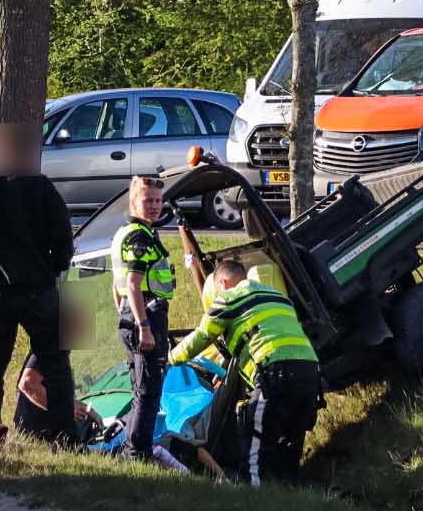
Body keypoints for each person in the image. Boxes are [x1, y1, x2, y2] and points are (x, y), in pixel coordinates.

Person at [0, 124, 75, 446]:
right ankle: (63, 435)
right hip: (38, 290)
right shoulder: (43, 189)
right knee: (55, 365)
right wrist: (54, 268)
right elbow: (63, 239)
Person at [169, 258, 320, 485]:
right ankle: (289, 496)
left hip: (274, 374)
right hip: (310, 372)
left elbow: (201, 337)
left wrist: (171, 359)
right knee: (292, 441)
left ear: (223, 282)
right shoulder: (277, 296)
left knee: (255, 446)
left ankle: (254, 504)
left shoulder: (229, 299)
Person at [111, 175, 177, 460]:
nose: (154, 206)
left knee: (139, 390)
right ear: (133, 201)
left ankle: (132, 449)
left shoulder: (124, 232)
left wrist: (124, 314)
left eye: (158, 200)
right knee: (149, 392)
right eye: (147, 200)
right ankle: (138, 452)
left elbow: (116, 286)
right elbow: (135, 285)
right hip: (146, 315)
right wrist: (143, 326)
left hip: (132, 312)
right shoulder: (140, 237)